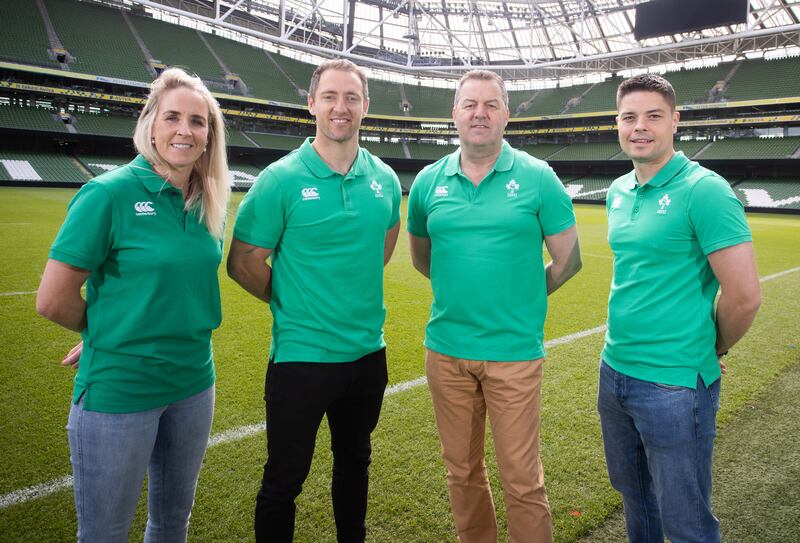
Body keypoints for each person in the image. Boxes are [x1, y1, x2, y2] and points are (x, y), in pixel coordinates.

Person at [35, 67, 230, 542]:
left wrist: (113, 322)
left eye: (198, 121)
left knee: (172, 523)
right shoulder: (108, 194)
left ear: (209, 135)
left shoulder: (207, 201)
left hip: (193, 385)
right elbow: (53, 299)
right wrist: (104, 331)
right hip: (120, 390)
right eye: (173, 117)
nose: (185, 130)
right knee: (104, 533)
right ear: (151, 124)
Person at [226, 59, 401, 543]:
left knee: (355, 464)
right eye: (330, 97)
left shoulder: (385, 178)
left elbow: (383, 246)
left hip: (367, 355)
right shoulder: (280, 179)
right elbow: (243, 263)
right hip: (300, 360)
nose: (340, 107)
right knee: (284, 481)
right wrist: (293, 301)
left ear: (365, 105)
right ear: (311, 104)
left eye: (351, 97)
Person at [407, 70, 582, 543]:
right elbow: (423, 260)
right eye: (470, 104)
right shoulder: (427, 182)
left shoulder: (537, 176)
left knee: (522, 480)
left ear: (506, 113)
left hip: (514, 354)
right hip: (447, 352)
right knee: (461, 473)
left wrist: (522, 296)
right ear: (455, 114)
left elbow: (569, 260)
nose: (479, 113)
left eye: (490, 104)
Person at [599, 73, 761, 543]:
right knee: (636, 499)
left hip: (674, 384)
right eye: (629, 117)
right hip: (614, 370)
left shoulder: (704, 190)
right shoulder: (618, 190)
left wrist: (713, 347)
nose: (640, 127)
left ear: (675, 121)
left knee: (687, 521)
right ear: (617, 124)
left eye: (653, 116)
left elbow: (745, 295)